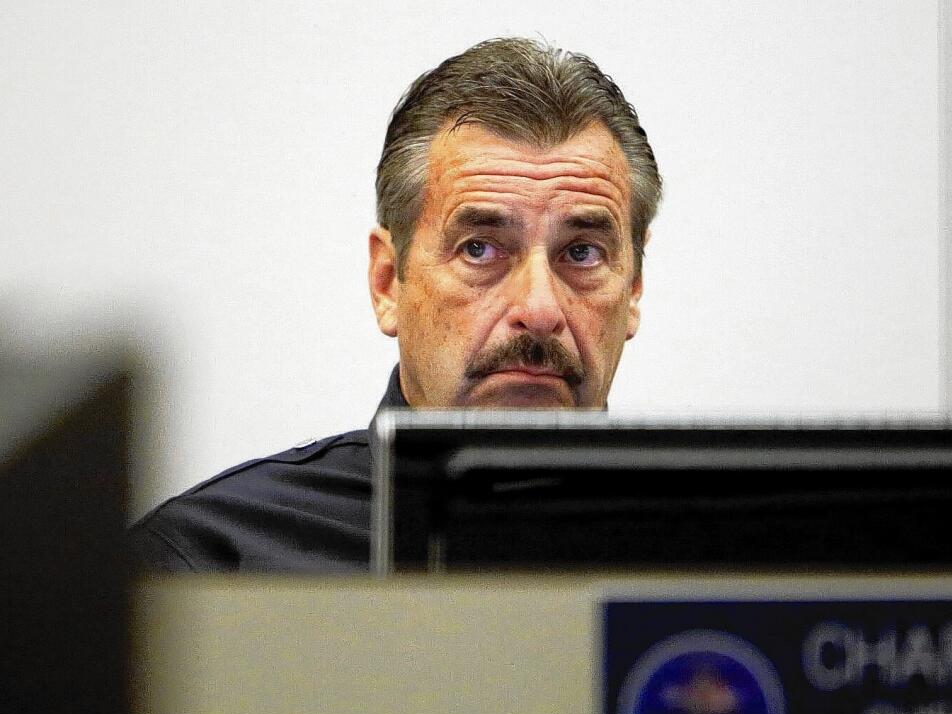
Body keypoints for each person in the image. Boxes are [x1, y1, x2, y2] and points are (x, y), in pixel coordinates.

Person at [126, 37, 663, 571]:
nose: (540, 309)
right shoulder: (209, 565)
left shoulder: (724, 561)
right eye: (479, 249)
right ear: (387, 283)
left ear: (633, 289)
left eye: (582, 252)